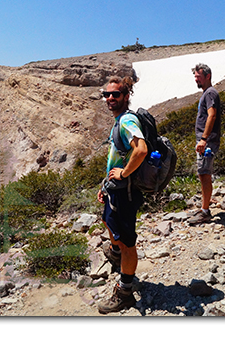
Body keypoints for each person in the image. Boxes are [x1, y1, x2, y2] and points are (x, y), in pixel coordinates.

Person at [96, 75, 147, 313]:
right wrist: (106, 184)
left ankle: (125, 292)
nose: (109, 98)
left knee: (127, 243)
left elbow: (142, 149)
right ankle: (116, 255)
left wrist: (124, 174)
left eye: (115, 94)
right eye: (106, 94)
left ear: (126, 96)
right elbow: (118, 155)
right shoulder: (119, 121)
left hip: (125, 192)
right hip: (115, 190)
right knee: (111, 225)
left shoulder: (127, 121)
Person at [187, 63, 221, 225]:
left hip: (207, 141)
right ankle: (204, 207)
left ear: (207, 76)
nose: (196, 80)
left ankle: (205, 211)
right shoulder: (208, 93)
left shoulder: (210, 93)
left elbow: (212, 115)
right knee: (203, 173)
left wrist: (204, 138)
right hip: (206, 140)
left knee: (204, 172)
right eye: (195, 77)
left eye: (198, 77)